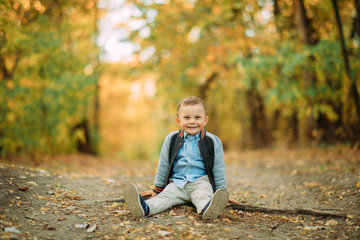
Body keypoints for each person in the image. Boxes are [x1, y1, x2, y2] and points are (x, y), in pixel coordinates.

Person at [124, 96, 230, 220]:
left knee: (203, 197)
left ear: (205, 120)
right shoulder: (172, 139)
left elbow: (218, 168)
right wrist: (158, 189)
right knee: (164, 198)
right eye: (186, 117)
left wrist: (222, 192)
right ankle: (144, 208)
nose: (192, 121)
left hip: (201, 182)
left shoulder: (213, 141)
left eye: (197, 117)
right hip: (177, 183)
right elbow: (163, 164)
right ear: (178, 121)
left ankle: (208, 209)